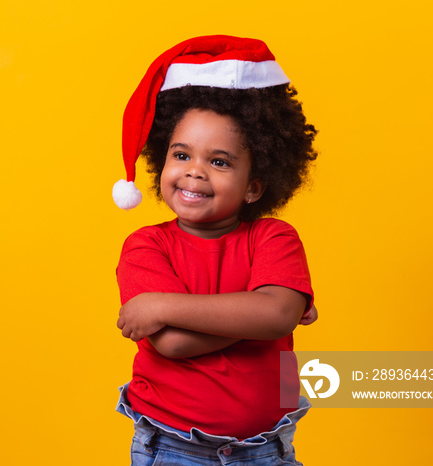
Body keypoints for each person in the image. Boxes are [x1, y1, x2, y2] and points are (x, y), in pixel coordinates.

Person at [112, 36, 319, 465]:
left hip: (267, 448)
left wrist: (162, 303)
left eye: (220, 162)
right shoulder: (146, 246)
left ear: (254, 187)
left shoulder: (275, 237)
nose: (194, 171)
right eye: (181, 154)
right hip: (172, 446)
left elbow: (278, 314)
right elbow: (172, 343)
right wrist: (261, 314)